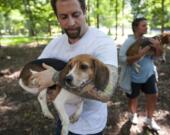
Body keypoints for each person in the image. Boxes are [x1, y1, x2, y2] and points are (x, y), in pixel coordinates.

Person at [31, 0, 118, 134]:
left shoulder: (103, 42)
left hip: (91, 127)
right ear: (57, 17)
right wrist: (48, 89)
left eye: (76, 14)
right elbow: (34, 76)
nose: (71, 22)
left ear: (84, 11)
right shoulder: (55, 43)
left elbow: (107, 92)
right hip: (62, 119)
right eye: (64, 17)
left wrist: (55, 77)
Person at [119, 17, 162, 131]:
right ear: (135, 28)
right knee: (133, 98)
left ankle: (149, 119)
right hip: (133, 77)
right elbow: (122, 59)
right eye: (143, 25)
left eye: (146, 25)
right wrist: (138, 55)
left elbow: (156, 56)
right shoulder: (129, 42)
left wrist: (157, 47)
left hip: (149, 74)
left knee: (153, 96)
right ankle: (133, 115)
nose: (146, 27)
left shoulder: (149, 40)